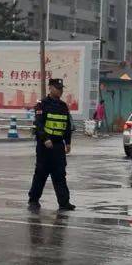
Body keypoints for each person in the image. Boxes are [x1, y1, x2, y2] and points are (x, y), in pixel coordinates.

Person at [28, 77, 75, 211]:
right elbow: (38, 124)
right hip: (45, 146)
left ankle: (64, 203)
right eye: (58, 89)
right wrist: (45, 138)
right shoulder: (42, 104)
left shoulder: (63, 106)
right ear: (51, 88)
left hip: (58, 146)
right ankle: (33, 200)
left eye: (61, 89)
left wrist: (68, 143)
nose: (60, 91)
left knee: (60, 174)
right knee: (41, 174)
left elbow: (66, 126)